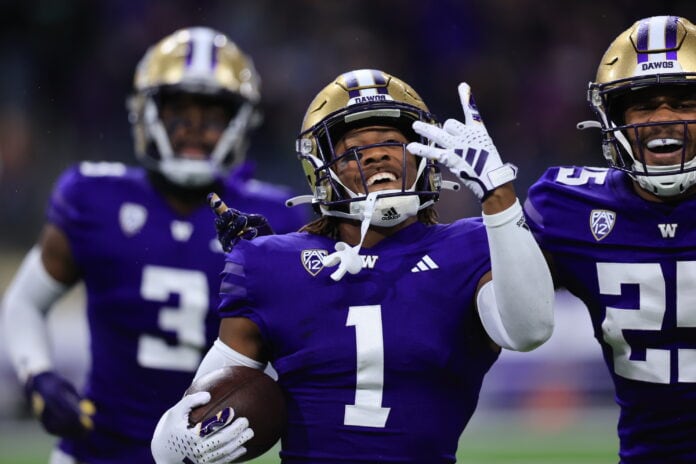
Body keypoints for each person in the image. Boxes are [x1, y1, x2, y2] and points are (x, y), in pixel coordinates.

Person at [150, 68, 554, 463]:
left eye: (393, 143)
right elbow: (177, 434)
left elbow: (530, 330)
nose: (377, 153)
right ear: (322, 170)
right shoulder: (268, 264)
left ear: (424, 159)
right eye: (354, 148)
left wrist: (498, 195)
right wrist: (184, 442)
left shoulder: (468, 246)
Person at [0, 26, 307, 464]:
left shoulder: (274, 215)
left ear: (241, 123)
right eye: (179, 113)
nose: (195, 130)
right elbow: (26, 302)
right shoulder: (94, 197)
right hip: (95, 452)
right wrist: (39, 377)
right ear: (147, 115)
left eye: (214, 115)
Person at [523, 15, 696, 463]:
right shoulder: (565, 206)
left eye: (682, 102)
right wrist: (497, 207)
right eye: (642, 105)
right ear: (610, 118)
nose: (663, 120)